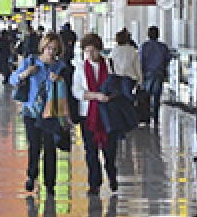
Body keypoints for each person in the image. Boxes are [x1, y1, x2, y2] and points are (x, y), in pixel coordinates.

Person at [10, 32, 69, 193]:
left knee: (50, 147)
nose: (51, 52)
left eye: (55, 49)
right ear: (43, 47)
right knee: (34, 145)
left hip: (51, 112)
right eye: (49, 48)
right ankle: (32, 175)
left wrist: (60, 79)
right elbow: (13, 79)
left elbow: (67, 88)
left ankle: (50, 183)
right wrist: (26, 73)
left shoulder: (60, 67)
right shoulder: (31, 61)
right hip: (31, 111)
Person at [72, 33, 121, 195]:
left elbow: (116, 85)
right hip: (88, 115)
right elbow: (77, 91)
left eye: (93, 51)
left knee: (109, 149)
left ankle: (111, 174)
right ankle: (94, 183)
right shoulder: (80, 67)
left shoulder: (109, 64)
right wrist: (96, 96)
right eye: (87, 51)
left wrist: (110, 96)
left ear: (99, 50)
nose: (90, 55)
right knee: (90, 150)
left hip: (108, 113)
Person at [140, 26, 173, 124]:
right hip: (159, 73)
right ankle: (156, 117)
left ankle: (146, 117)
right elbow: (168, 59)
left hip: (147, 73)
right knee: (157, 95)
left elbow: (141, 60)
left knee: (146, 95)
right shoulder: (163, 47)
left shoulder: (144, 46)